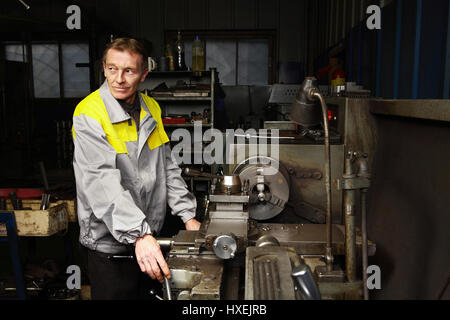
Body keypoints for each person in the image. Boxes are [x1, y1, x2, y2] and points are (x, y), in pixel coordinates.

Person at [72, 38, 201, 299]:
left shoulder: (150, 108)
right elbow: (101, 182)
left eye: (128, 70)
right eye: (111, 69)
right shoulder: (89, 114)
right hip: (110, 246)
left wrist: (188, 215)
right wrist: (138, 234)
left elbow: (167, 166)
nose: (118, 78)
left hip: (150, 238)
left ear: (144, 74)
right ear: (104, 68)